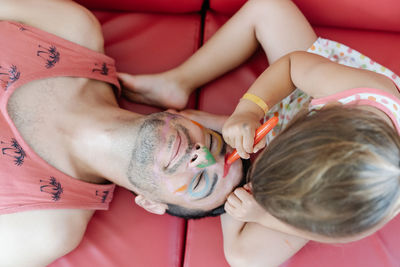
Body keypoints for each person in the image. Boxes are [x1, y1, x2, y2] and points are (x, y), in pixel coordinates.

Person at [118, 0, 400, 266]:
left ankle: (242, 176)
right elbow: (292, 66)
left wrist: (262, 215)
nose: (203, 158)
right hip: (309, 90)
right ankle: (178, 82)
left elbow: (323, 230)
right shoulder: (358, 90)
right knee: (268, 6)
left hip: (322, 189)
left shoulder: (356, 214)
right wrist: (249, 111)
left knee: (244, 259)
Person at [0, 1, 244, 266]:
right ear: (183, 117)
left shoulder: (47, 229)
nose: (201, 157)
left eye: (199, 182)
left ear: (150, 204)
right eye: (210, 141)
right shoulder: (72, 31)